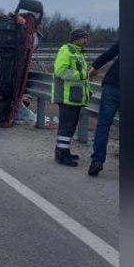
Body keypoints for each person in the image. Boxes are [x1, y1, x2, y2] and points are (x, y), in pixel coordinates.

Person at [53, 29, 91, 166]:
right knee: (66, 127)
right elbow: (61, 71)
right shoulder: (66, 51)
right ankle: (61, 156)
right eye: (83, 38)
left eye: (86, 38)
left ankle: (64, 151)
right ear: (75, 39)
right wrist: (82, 75)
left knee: (70, 127)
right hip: (66, 97)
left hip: (74, 98)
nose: (86, 41)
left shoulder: (78, 53)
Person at [87, 41, 119, 176]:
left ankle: (97, 161)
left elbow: (110, 52)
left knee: (103, 125)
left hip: (114, 83)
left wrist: (94, 67)